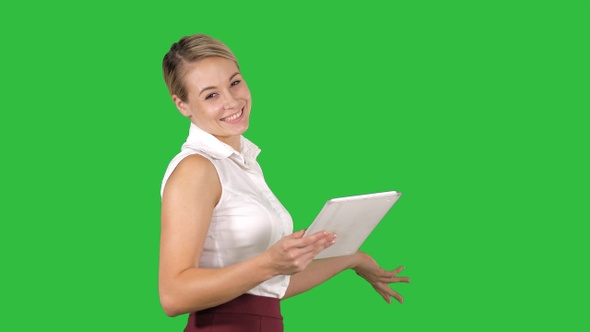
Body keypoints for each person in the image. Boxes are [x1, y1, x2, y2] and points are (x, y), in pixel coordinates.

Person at [159, 34, 410, 332]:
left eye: (235, 82)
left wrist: (353, 258)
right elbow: (173, 296)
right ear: (182, 105)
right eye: (211, 95)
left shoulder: (243, 165)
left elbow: (269, 290)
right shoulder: (196, 169)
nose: (232, 100)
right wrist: (269, 263)